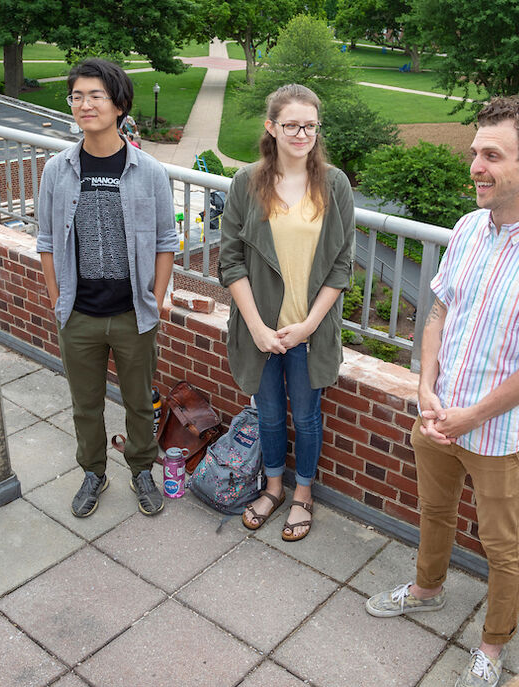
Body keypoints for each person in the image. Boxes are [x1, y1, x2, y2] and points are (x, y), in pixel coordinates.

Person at [365, 96, 519, 687]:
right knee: (433, 512)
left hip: (497, 433)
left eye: (492, 155)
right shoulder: (467, 228)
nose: (475, 166)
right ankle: (427, 588)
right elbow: (439, 309)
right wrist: (426, 387)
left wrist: (471, 417)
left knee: (501, 545)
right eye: (474, 152)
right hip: (437, 417)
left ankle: (492, 650)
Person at [36, 58, 177, 519]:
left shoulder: (149, 171)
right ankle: (93, 471)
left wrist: (155, 298)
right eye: (77, 96)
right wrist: (58, 300)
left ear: (118, 104)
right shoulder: (57, 170)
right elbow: (46, 241)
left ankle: (141, 468)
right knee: (85, 404)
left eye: (95, 95)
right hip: (79, 313)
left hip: (133, 313)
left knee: (140, 401)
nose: (84, 104)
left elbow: (164, 241)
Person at [219, 83, 355, 542]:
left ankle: (303, 494)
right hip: (263, 331)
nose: (301, 134)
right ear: (271, 127)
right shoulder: (246, 183)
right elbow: (231, 260)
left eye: (310, 126)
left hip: (309, 331)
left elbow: (341, 264)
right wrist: (257, 327)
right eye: (292, 125)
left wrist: (309, 325)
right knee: (271, 414)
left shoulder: (334, 184)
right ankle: (273, 488)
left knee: (308, 416)